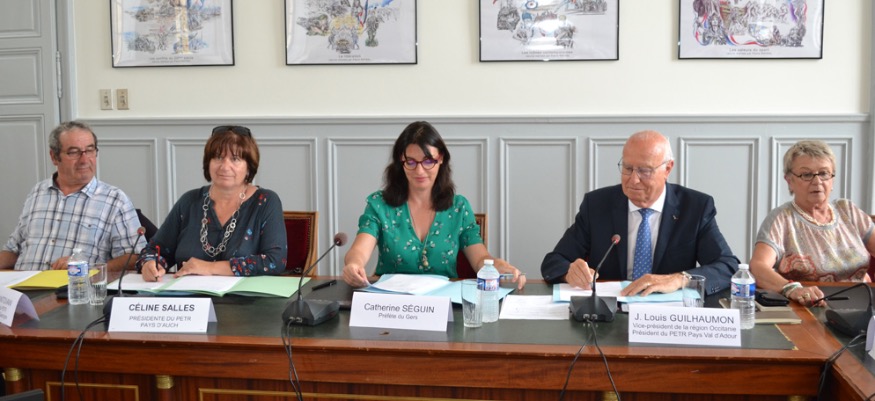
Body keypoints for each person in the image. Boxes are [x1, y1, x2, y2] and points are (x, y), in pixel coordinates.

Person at [541, 130, 739, 296]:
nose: (633, 179)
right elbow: (554, 262)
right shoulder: (597, 205)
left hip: (668, 315)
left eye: (644, 171)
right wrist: (570, 272)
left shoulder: (695, 207)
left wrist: (680, 279)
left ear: (667, 168)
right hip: (609, 313)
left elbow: (728, 266)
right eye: (627, 168)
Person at [342, 121, 525, 289]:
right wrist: (353, 264)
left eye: (428, 161)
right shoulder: (380, 205)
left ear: (441, 158)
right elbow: (359, 251)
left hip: (444, 304)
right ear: (400, 161)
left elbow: (480, 259)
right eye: (411, 162)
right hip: (391, 304)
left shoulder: (458, 207)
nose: (419, 170)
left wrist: (498, 266)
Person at [137, 125, 286, 281]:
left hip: (243, 295)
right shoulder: (189, 201)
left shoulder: (266, 201)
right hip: (188, 294)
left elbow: (274, 261)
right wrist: (150, 264)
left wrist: (209, 268)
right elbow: (155, 250)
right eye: (218, 157)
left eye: (235, 159)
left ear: (249, 166)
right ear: (208, 163)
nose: (225, 166)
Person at [0, 121, 144, 271]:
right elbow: (13, 250)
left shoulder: (115, 200)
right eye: (74, 152)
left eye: (90, 150)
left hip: (74, 284)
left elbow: (134, 257)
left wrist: (85, 268)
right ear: (54, 157)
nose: (84, 160)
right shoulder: (38, 192)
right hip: (23, 282)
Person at [749, 140, 874, 306]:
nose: (817, 181)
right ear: (789, 180)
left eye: (824, 173)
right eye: (806, 175)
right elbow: (758, 267)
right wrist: (791, 289)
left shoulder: (847, 210)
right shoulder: (781, 219)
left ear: (832, 179)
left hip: (863, 303)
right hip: (810, 306)